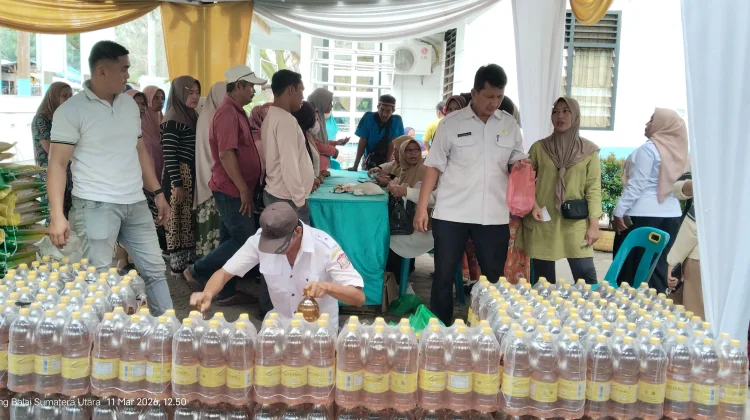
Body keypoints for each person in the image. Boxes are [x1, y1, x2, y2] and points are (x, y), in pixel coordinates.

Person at [47, 40, 172, 315]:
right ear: (102, 71)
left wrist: (157, 192)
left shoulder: (129, 105)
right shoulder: (71, 111)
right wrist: (57, 215)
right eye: (124, 68)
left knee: (155, 270)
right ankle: (97, 335)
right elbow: (57, 164)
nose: (128, 74)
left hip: (135, 202)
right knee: (96, 277)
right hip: (94, 204)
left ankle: (168, 329)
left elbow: (139, 151)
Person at [415, 64, 527, 325]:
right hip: (452, 213)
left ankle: (491, 329)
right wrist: (422, 207)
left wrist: (522, 170)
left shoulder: (509, 125)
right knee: (443, 276)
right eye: (489, 96)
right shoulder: (451, 124)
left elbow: (517, 162)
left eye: (499, 97)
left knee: (494, 278)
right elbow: (433, 166)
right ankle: (439, 331)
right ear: (474, 93)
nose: (494, 103)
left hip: (493, 214)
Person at [189, 202, 365, 327]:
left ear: (298, 232)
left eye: (281, 246)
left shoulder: (325, 246)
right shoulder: (258, 241)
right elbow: (224, 273)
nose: (276, 251)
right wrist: (207, 293)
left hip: (319, 332)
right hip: (280, 328)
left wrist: (327, 287)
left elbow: (358, 298)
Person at [183, 65, 266, 306]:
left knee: (230, 239)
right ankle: (196, 271)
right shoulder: (227, 113)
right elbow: (226, 154)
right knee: (244, 241)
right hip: (232, 189)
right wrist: (243, 189)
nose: (253, 91)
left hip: (235, 188)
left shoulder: (236, 111)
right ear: (238, 86)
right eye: (250, 87)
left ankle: (225, 290)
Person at [523, 97, 602, 284]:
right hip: (543, 218)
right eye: (555, 112)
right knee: (543, 283)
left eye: (566, 111)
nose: (560, 116)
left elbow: (593, 189)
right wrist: (533, 205)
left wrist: (594, 225)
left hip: (576, 222)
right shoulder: (539, 148)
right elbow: (525, 181)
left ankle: (585, 306)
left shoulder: (589, 151)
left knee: (586, 278)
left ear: (575, 116)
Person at [613, 108, 688, 293]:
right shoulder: (679, 153)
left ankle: (629, 306)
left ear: (664, 125)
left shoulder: (648, 149)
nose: (647, 123)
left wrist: (619, 211)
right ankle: (655, 305)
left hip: (642, 216)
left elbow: (636, 185)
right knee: (657, 268)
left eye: (652, 120)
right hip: (671, 216)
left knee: (630, 270)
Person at [436, 94, 482, 285]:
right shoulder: (443, 129)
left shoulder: (476, 131)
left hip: (472, 201)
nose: (453, 113)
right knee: (447, 258)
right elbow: (435, 166)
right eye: (450, 109)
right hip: (448, 201)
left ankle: (471, 280)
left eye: (457, 109)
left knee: (474, 249)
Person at [261, 69, 314, 224]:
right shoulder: (285, 120)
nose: (303, 97)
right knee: (295, 240)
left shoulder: (271, 116)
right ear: (291, 89)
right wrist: (300, 201)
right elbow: (288, 164)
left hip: (278, 194)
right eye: (301, 90)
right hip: (288, 200)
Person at [161, 75, 201, 274]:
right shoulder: (172, 120)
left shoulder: (192, 115)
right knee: (177, 219)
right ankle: (177, 266)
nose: (195, 96)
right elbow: (169, 155)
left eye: (197, 92)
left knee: (188, 218)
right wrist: (177, 185)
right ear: (179, 93)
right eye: (190, 92)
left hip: (190, 174)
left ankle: (189, 263)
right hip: (178, 175)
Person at [386, 137, 436, 280]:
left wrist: (404, 191)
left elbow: (430, 199)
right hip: (410, 222)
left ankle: (397, 276)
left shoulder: (425, 170)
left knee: (388, 236)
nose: (413, 153)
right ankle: (397, 273)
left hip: (424, 226)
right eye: (408, 150)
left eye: (416, 150)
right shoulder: (405, 170)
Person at [194, 82, 227, 259]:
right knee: (213, 224)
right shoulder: (213, 117)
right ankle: (208, 264)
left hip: (209, 175)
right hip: (213, 177)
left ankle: (209, 262)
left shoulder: (209, 115)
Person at [32, 82, 73, 217]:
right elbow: (51, 150)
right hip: (50, 173)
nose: (69, 99)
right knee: (54, 214)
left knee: (68, 214)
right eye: (64, 96)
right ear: (53, 97)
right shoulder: (42, 119)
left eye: (71, 95)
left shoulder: (65, 118)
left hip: (67, 171)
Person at [667, 171, 703, 318]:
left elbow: (695, 224)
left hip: (701, 256)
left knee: (695, 320)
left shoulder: (719, 167)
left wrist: (674, 260)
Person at [140, 86, 167, 250]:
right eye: (156, 98)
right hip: (145, 177)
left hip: (161, 175)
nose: (160, 101)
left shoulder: (162, 119)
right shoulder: (141, 123)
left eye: (162, 98)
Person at [349, 94, 405, 170]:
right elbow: (363, 140)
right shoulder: (368, 117)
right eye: (382, 109)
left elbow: (393, 143)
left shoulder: (397, 121)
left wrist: (386, 166)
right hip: (369, 159)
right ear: (378, 107)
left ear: (393, 111)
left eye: (388, 111)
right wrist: (355, 166)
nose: (384, 114)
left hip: (387, 159)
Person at [307, 88, 349, 175]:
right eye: (329, 103)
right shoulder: (311, 118)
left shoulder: (320, 117)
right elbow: (313, 144)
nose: (331, 106)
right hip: (312, 169)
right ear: (322, 102)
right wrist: (333, 151)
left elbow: (320, 142)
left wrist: (336, 143)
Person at [292, 101, 323, 192]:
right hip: (300, 190)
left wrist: (314, 177)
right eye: (314, 117)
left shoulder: (305, 135)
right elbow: (294, 167)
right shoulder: (296, 137)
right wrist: (308, 182)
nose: (316, 120)